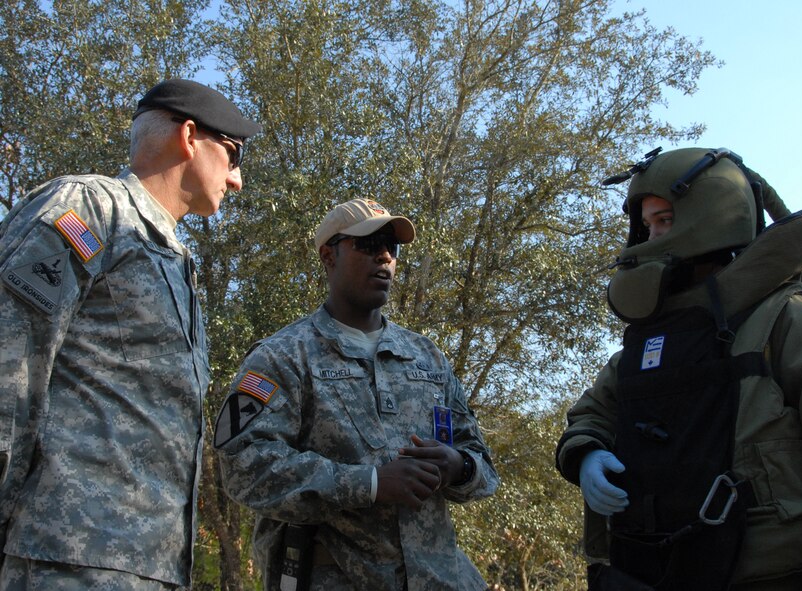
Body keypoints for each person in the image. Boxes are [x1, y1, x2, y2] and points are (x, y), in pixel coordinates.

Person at [0, 78, 261, 589]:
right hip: (65, 560)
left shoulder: (176, 263)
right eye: (233, 157)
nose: (236, 181)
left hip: (148, 569)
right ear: (189, 136)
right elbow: (10, 363)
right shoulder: (90, 210)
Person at [555, 147, 802, 591]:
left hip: (772, 574)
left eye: (665, 220)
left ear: (711, 216)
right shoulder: (648, 339)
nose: (652, 236)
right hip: (645, 569)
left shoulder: (791, 318)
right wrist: (586, 453)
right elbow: (592, 412)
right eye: (647, 226)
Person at [213, 198, 499, 590]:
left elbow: (483, 466)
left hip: (441, 578)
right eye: (367, 244)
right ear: (329, 255)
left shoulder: (427, 357)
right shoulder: (282, 357)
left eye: (391, 247)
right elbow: (245, 468)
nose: (384, 256)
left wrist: (458, 465)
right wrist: (371, 483)